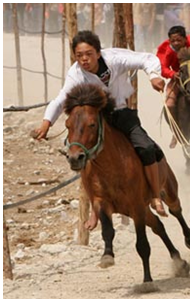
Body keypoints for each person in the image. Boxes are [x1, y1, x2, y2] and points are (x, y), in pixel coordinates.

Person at [33, 31, 168, 228]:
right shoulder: (76, 74)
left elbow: (146, 59)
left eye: (88, 54)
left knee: (146, 147)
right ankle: (95, 211)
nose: (84, 59)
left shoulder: (115, 59)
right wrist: (47, 122)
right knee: (81, 155)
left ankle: (155, 196)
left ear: (98, 53)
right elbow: (61, 99)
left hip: (122, 114)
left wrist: (154, 76)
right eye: (79, 56)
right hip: (97, 120)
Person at [156, 25, 190, 148]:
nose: (176, 43)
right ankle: (176, 131)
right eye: (173, 41)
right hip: (179, 79)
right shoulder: (168, 50)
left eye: (178, 40)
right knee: (169, 104)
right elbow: (162, 68)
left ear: (185, 39)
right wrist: (173, 74)